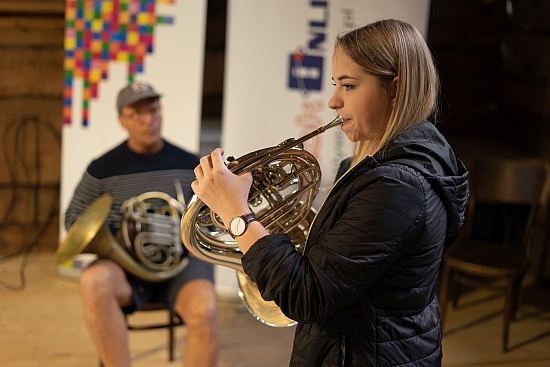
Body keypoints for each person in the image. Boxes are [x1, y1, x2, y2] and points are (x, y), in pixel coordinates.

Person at [192, 19, 469, 366]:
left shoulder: (397, 187)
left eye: (349, 86)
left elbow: (304, 296)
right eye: (336, 84)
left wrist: (236, 214)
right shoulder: (388, 163)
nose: (333, 101)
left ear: (395, 89)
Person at [64, 81, 219, 367]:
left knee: (206, 310)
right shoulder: (102, 168)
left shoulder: (189, 164)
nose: (148, 120)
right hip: (125, 268)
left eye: (154, 110)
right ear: (121, 120)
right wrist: (121, 234)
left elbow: (211, 217)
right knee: (92, 280)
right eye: (136, 114)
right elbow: (73, 219)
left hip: (182, 265)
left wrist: (202, 238)